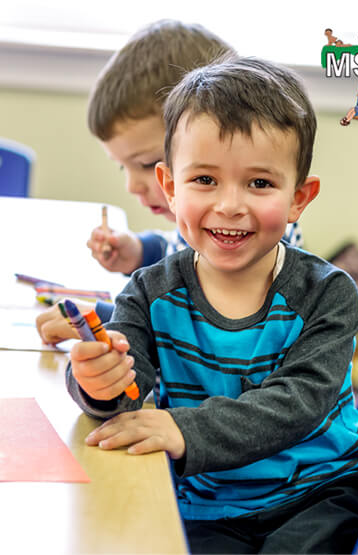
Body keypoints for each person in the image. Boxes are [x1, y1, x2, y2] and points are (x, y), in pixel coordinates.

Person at [66, 56, 358, 554]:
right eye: (205, 180)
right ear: (170, 187)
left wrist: (182, 427)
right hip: (209, 500)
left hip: (321, 488)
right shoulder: (149, 293)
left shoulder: (327, 294)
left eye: (259, 183)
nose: (230, 205)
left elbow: (296, 405)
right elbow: (126, 391)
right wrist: (97, 382)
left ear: (299, 197)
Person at [35, 20, 304, 346]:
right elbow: (188, 258)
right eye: (123, 167)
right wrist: (141, 252)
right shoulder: (219, 224)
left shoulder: (258, 230)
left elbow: (211, 332)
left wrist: (105, 318)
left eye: (147, 163)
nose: (132, 186)